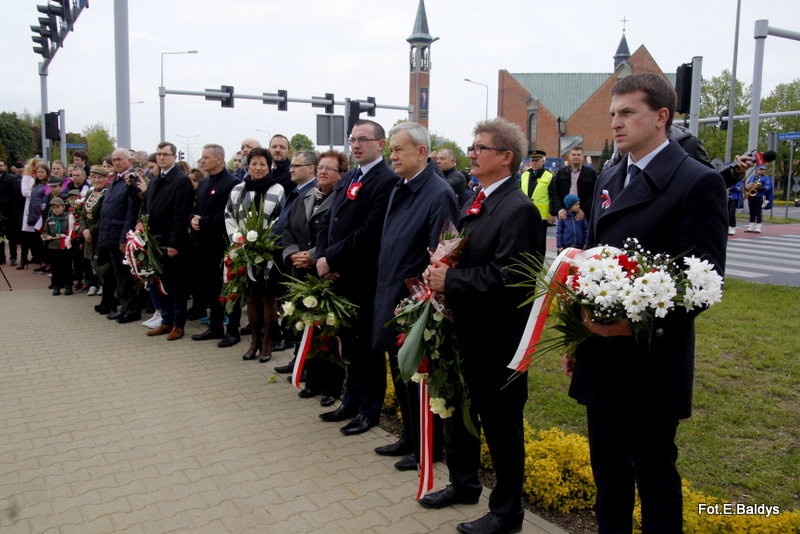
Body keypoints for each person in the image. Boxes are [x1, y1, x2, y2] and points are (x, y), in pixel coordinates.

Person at [569, 73, 727, 534]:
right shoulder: (613, 174)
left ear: (661, 117)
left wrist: (635, 325)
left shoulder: (696, 181)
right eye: (613, 114)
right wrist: (581, 332)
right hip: (601, 353)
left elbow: (704, 280)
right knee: (608, 470)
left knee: (654, 472)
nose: (616, 123)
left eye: (627, 113)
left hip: (652, 358)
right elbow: (597, 258)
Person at [422, 118, 542, 534]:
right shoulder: (478, 199)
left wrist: (450, 280)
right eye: (472, 148)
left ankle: (508, 512)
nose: (471, 154)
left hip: (499, 341)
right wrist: (440, 269)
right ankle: (463, 483)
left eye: (480, 148)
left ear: (506, 157)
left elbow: (513, 278)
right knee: (459, 412)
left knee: (501, 426)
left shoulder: (520, 209)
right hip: (465, 330)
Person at [373, 122, 459, 471]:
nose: (392, 155)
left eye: (398, 149)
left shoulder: (438, 193)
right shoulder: (400, 187)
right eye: (391, 149)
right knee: (400, 371)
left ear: (421, 152)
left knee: (418, 375)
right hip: (391, 294)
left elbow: (442, 251)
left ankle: (428, 446)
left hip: (415, 301)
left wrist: (424, 301)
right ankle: (410, 437)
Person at [315, 119, 396, 436]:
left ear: (381, 144)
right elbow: (329, 222)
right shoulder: (349, 176)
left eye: (364, 139)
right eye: (353, 139)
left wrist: (332, 257)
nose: (357, 145)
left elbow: (370, 232)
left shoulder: (386, 180)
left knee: (368, 348)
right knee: (349, 345)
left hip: (364, 279)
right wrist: (322, 256)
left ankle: (369, 410)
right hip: (338, 275)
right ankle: (350, 401)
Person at [280, 150, 346, 404]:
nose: (323, 172)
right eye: (321, 167)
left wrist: (314, 255)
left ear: (341, 175)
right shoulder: (303, 197)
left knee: (328, 331)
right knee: (306, 325)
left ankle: (331, 388)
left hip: (324, 272)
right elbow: (288, 230)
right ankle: (312, 380)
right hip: (301, 272)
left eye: (330, 168)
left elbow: (336, 235)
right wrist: (293, 253)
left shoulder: (340, 200)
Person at [224, 147, 286, 361]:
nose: (258, 168)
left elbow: (280, 220)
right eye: (254, 164)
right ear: (247, 165)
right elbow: (229, 215)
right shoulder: (237, 190)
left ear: (269, 167)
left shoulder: (277, 189)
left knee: (268, 299)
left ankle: (267, 341)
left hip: (268, 253)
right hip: (244, 251)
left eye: (263, 164)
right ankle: (253, 342)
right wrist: (238, 240)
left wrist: (266, 242)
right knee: (251, 298)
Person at [140, 142, 195, 341]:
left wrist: (174, 244)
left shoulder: (181, 181)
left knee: (175, 287)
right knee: (158, 283)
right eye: (159, 154)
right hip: (154, 241)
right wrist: (141, 227)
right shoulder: (155, 180)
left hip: (172, 243)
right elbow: (146, 206)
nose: (161, 158)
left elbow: (181, 215)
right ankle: (166, 321)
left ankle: (178, 325)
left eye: (165, 154)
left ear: (174, 157)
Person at [190, 144, 240, 342]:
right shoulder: (204, 183)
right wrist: (193, 218)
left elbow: (229, 214)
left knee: (223, 288)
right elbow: (198, 207)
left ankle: (230, 329)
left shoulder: (232, 183)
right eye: (202, 157)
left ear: (219, 160)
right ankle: (215, 326)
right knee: (210, 288)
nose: (202, 161)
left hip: (220, 244)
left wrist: (203, 221)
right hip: (203, 243)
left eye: (206, 157)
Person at [98, 148, 142, 323]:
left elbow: (131, 212)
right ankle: (124, 307)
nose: (115, 163)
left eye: (119, 159)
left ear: (129, 160)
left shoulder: (130, 179)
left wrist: (124, 238)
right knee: (118, 275)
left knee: (126, 276)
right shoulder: (114, 180)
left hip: (121, 234)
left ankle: (132, 310)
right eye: (113, 160)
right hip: (110, 233)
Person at [79, 167, 108, 298]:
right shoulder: (89, 193)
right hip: (88, 233)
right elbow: (82, 215)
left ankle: (104, 285)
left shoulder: (106, 194)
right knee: (91, 262)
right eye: (94, 177)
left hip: (99, 233)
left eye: (100, 177)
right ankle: (94, 284)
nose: (97, 180)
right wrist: (84, 230)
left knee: (100, 263)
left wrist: (91, 231)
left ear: (105, 179)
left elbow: (104, 216)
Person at [519, 149, 554, 257]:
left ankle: (538, 268)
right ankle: (525, 266)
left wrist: (552, 213)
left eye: (537, 160)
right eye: (532, 160)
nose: (534, 163)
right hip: (525, 214)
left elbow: (553, 195)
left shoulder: (549, 176)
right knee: (525, 241)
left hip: (541, 216)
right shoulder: (524, 175)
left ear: (543, 161)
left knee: (539, 243)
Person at [549, 146, 597, 222]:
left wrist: (584, 210)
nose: (576, 157)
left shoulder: (591, 173)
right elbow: (555, 193)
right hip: (564, 213)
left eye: (578, 155)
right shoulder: (561, 173)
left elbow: (594, 193)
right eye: (573, 154)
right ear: (569, 157)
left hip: (583, 215)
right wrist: (559, 209)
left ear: (582, 157)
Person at [41, 197, 73, 295]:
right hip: (53, 247)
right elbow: (45, 232)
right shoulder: (50, 219)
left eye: (58, 207)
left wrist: (65, 235)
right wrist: (46, 236)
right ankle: (56, 286)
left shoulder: (68, 218)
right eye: (53, 208)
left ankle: (68, 286)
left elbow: (71, 231)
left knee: (67, 267)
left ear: (63, 207)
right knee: (55, 267)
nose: (56, 210)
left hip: (65, 247)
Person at [0, 159, 22, 265]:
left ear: (5, 166)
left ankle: (13, 257)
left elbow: (13, 195)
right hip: (0, 213)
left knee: (11, 236)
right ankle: (1, 257)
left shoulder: (10, 179)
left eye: (1, 165)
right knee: (0, 237)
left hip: (9, 212)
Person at [744, 165, 773, 233]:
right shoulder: (752, 177)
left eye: (763, 169)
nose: (761, 171)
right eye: (760, 169)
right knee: (752, 212)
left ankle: (758, 227)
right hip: (751, 196)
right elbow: (747, 186)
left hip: (760, 196)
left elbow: (768, 188)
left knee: (758, 212)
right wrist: (748, 186)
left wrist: (759, 187)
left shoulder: (767, 178)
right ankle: (751, 226)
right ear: (756, 170)